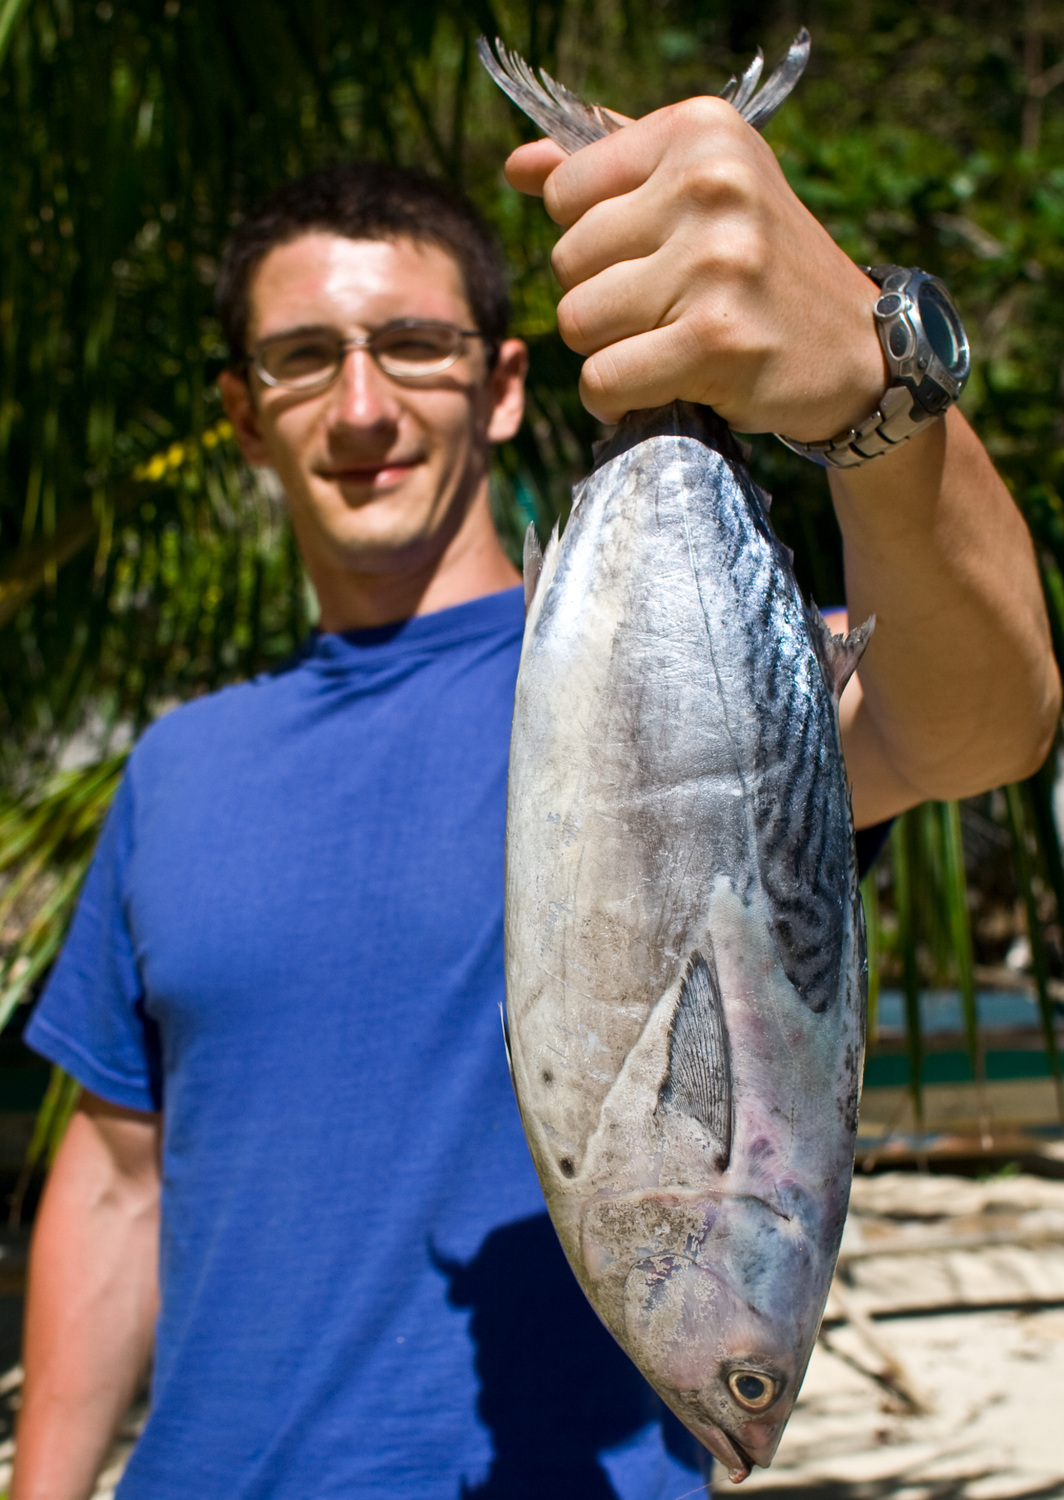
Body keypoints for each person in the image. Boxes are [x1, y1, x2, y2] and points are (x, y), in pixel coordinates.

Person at [11, 88, 1059, 1500]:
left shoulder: (675, 680)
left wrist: (878, 392)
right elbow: (120, 1179)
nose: (365, 405)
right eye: (304, 358)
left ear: (505, 383)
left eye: (416, 347)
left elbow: (979, 723)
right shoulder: (174, 766)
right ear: (243, 415)